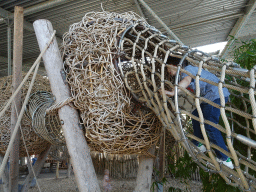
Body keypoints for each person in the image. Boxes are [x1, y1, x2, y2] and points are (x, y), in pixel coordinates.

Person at [159, 56, 234, 169]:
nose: (168, 70)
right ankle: (199, 143)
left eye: (170, 66)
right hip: (208, 97)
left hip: (215, 95)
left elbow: (187, 80)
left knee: (210, 125)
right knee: (195, 115)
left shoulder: (187, 70)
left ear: (177, 64)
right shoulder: (184, 74)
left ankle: (224, 158)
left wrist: (173, 92)